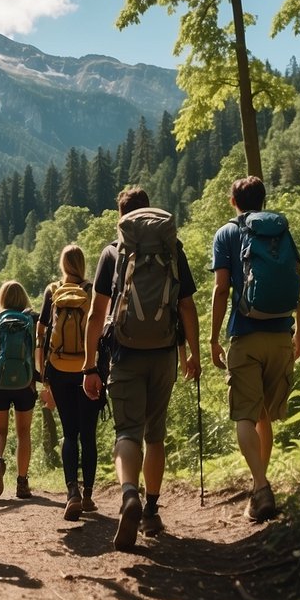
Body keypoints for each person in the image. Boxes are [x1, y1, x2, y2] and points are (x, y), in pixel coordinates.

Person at [82, 187, 202, 550]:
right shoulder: (172, 248)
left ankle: (129, 493)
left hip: (124, 352)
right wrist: (192, 353)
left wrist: (90, 366)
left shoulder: (111, 253)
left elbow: (95, 314)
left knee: (127, 432)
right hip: (164, 351)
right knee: (155, 433)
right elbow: (186, 306)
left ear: (121, 218)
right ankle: (151, 510)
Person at [210, 176, 300, 523]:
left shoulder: (226, 234)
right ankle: (259, 489)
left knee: (245, 416)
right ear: (263, 200)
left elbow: (221, 290)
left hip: (246, 336)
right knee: (266, 415)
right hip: (282, 334)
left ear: (233, 201)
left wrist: (212, 339)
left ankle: (261, 485)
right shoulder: (280, 232)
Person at [37, 245, 100, 521]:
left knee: (69, 432)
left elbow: (40, 333)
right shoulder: (91, 289)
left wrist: (43, 376)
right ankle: (87, 495)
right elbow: (100, 325)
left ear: (63, 265)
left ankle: (71, 491)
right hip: (88, 367)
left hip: (59, 368)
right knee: (88, 433)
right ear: (82, 264)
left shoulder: (53, 291)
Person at [0, 280, 41, 499]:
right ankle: (22, 484)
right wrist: (39, 380)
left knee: (0, 430)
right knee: (24, 433)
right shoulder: (33, 318)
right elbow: (39, 351)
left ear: (2, 298)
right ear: (23, 297)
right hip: (25, 381)